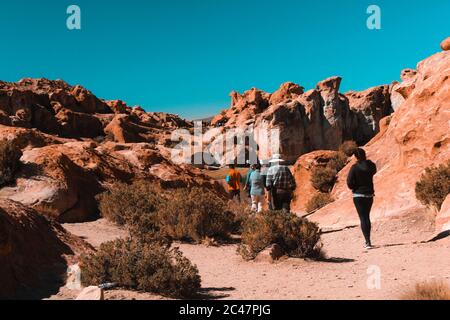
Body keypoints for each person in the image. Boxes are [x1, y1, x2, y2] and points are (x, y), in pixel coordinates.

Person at [347, 148, 377, 250]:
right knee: (367, 217)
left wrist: (355, 186)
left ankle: (367, 242)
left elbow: (349, 183)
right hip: (369, 195)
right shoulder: (371, 166)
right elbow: (374, 171)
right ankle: (368, 241)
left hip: (358, 195)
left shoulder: (354, 168)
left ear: (356, 157)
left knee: (362, 218)